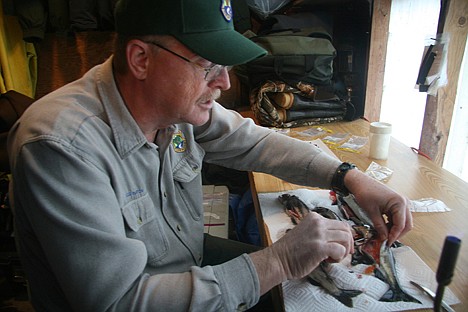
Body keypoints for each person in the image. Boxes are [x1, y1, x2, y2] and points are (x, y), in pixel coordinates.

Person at [7, 0, 413, 311]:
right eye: (207, 65)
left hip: (185, 257)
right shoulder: (61, 147)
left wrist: (350, 177)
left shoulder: (173, 106)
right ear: (141, 59)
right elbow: (120, 300)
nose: (224, 81)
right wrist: (280, 262)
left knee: (316, 282)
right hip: (142, 295)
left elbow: (253, 141)